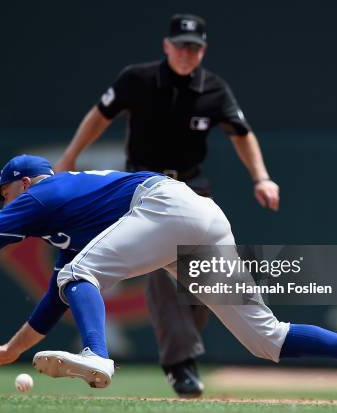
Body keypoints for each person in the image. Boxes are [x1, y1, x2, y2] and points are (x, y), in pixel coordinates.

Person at [0, 154, 337, 405]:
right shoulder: (69, 210)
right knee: (266, 339)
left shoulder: (39, 196)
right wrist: (11, 349)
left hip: (161, 207)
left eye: (5, 194)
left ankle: (97, 355)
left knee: (80, 272)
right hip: (198, 216)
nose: (5, 206)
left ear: (22, 183)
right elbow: (55, 297)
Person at [55, 13, 279, 397]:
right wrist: (71, 156)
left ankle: (182, 353)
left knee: (207, 281)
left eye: (193, 47)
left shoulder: (214, 89)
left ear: (203, 50)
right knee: (163, 267)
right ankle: (180, 365)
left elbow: (241, 133)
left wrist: (261, 176)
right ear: (166, 45)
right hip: (142, 190)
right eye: (180, 45)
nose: (186, 53)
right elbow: (100, 115)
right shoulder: (138, 79)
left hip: (190, 189)